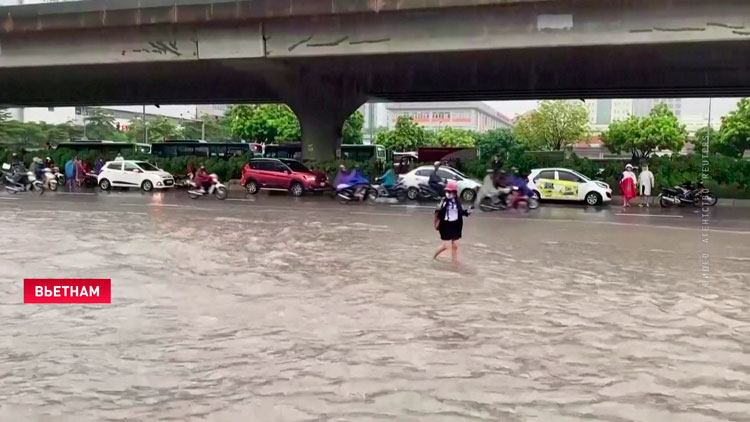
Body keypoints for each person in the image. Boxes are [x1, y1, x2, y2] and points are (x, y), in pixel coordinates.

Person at [433, 181, 471, 263]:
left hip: (455, 225)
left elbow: (460, 212)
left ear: (454, 193)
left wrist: (467, 212)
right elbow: (437, 212)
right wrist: (438, 209)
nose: (448, 193)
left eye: (450, 192)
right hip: (446, 225)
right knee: (445, 246)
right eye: (447, 191)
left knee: (455, 245)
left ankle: (454, 263)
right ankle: (434, 257)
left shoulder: (457, 202)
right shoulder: (443, 201)